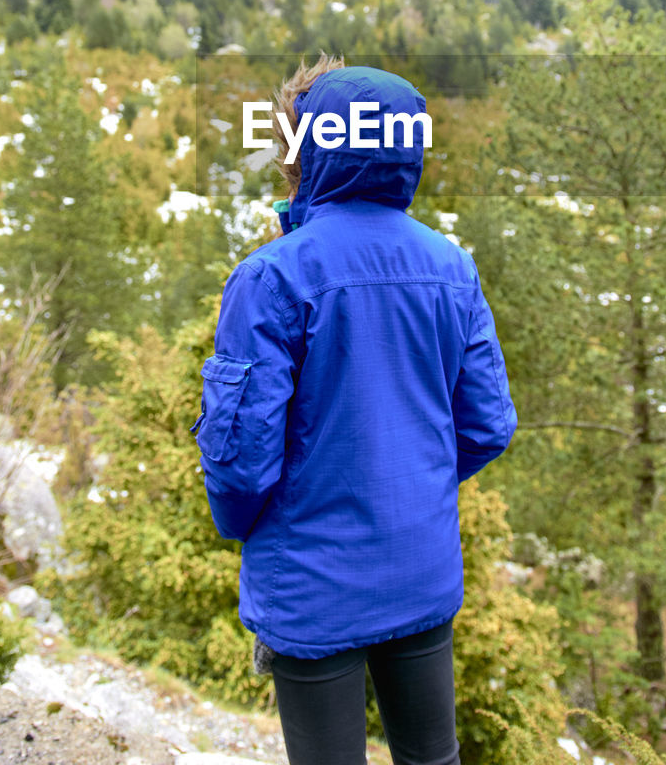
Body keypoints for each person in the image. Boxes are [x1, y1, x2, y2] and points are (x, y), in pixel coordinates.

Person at [194, 57, 517, 765]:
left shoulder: (273, 276)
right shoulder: (451, 267)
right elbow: (488, 423)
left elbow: (240, 462)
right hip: (421, 565)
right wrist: (413, 486)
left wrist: (254, 528)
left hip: (312, 582)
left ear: (309, 150)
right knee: (434, 757)